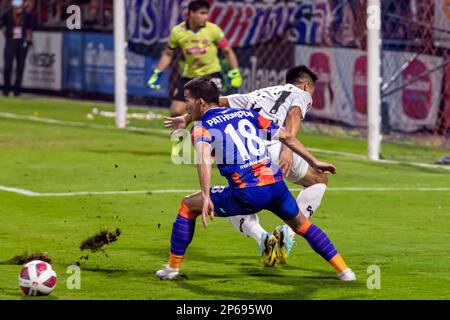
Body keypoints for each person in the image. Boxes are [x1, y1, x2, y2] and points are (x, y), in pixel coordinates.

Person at [156, 77, 356, 282]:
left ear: (201, 102)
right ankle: (345, 271)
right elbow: (286, 135)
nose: (185, 106)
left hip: (247, 193)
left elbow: (204, 159)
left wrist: (206, 196)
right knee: (303, 226)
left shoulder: (201, 128)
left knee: (188, 205)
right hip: (276, 187)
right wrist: (315, 161)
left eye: (187, 100)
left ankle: (172, 268)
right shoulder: (247, 113)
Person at [147, 0, 242, 125]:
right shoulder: (177, 31)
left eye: (207, 13)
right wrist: (157, 72)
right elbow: (168, 54)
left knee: (215, 109)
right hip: (190, 76)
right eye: (202, 13)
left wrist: (235, 72)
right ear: (191, 13)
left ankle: (220, 137)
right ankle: (179, 143)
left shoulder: (213, 30)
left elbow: (227, 51)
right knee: (176, 111)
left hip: (211, 75)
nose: (205, 17)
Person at [1, 0, 33, 97]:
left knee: (20, 66)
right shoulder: (7, 15)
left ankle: (17, 90)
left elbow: (29, 29)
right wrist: (7, 34)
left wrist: (28, 41)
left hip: (21, 41)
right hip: (11, 40)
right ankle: (6, 89)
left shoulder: (26, 15)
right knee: (8, 66)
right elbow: (3, 27)